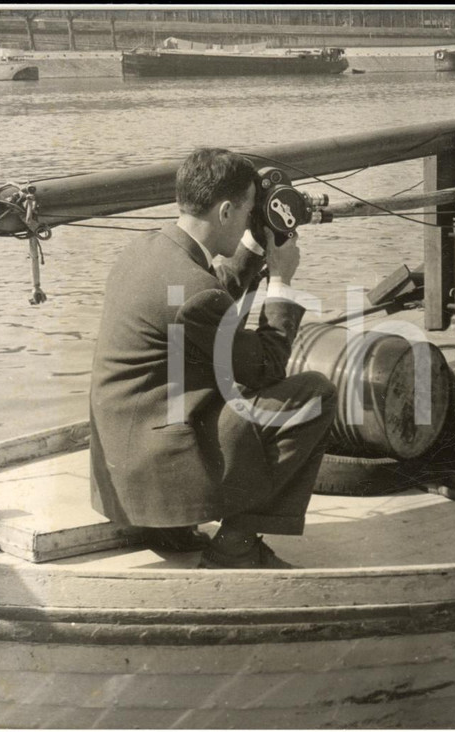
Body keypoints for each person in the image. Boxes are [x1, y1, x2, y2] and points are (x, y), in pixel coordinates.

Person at [89, 147, 337, 569]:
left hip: (124, 461)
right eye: (246, 213)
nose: (247, 221)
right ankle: (236, 545)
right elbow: (266, 366)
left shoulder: (148, 249)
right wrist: (281, 279)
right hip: (157, 470)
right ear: (225, 212)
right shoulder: (193, 290)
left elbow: (203, 296)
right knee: (313, 395)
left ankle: (167, 528)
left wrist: (254, 246)